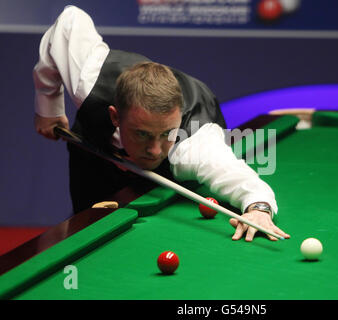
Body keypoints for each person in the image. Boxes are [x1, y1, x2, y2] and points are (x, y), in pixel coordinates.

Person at [33, 5, 290, 242]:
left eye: (166, 133)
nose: (155, 150)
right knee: (85, 229)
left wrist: (258, 208)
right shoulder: (90, 81)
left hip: (164, 176)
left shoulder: (194, 143)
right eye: (142, 134)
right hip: (94, 154)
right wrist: (48, 108)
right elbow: (69, 21)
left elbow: (239, 178)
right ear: (115, 117)